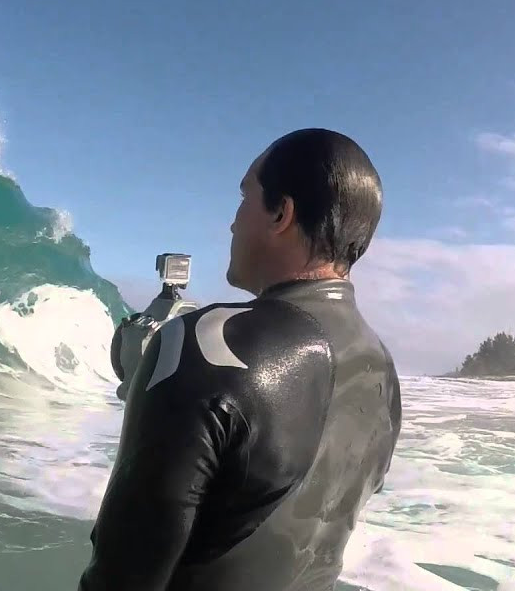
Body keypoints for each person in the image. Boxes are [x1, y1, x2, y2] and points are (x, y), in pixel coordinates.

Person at [78, 128, 403, 591]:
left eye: (244, 198)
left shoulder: (208, 343)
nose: (232, 223)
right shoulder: (382, 372)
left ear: (281, 213)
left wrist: (160, 376)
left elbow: (122, 574)